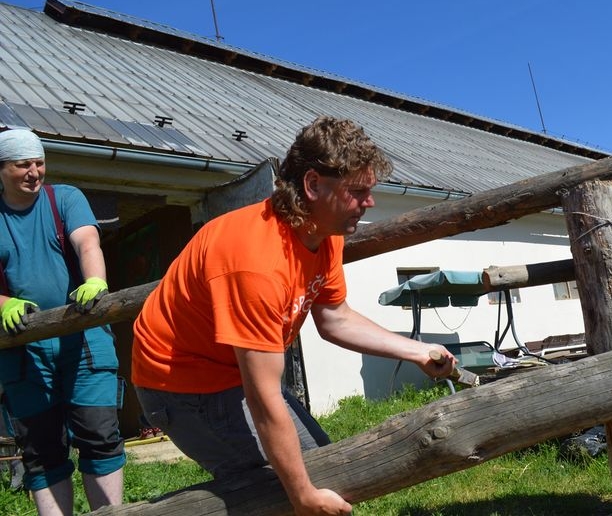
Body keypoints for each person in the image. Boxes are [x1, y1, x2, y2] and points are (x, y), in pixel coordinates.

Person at [132, 116, 457, 516]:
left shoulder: (325, 234)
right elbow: (264, 397)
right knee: (277, 493)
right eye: (358, 191)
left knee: (322, 467)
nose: (369, 202)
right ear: (313, 185)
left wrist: (416, 351)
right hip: (181, 384)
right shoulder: (255, 264)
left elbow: (334, 317)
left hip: (234, 370)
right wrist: (302, 495)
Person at [0, 129, 124, 516]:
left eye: (39, 163)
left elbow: (87, 243)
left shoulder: (65, 198)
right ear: (2, 169)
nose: (34, 172)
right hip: (23, 351)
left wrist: (95, 280)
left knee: (99, 435)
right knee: (41, 449)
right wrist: (1, 302)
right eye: (23, 164)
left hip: (83, 340)